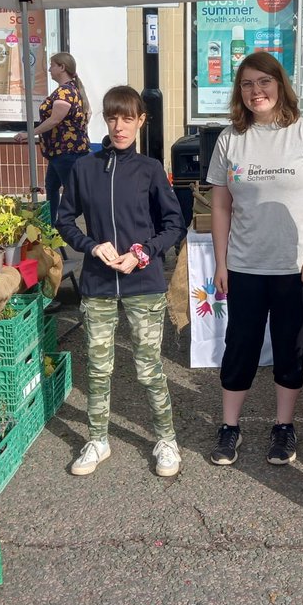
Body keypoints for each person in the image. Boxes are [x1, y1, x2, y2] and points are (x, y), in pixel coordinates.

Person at [206, 53, 303, 467]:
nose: (256, 91)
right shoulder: (230, 139)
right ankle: (229, 427)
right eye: (246, 84)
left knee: (290, 347)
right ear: (238, 91)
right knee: (239, 345)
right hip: (244, 265)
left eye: (264, 82)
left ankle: (283, 426)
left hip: (296, 266)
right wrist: (222, 263)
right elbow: (220, 208)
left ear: (280, 84)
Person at [56, 86, 186, 478]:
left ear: (141, 121)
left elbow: (173, 223)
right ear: (105, 120)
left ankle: (166, 439)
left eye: (127, 118)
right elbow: (64, 219)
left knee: (148, 367)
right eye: (113, 117)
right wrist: (92, 247)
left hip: (144, 284)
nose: (119, 126)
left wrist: (143, 253)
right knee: (97, 367)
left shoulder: (150, 170)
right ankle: (98, 439)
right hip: (97, 284)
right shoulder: (85, 168)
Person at [17, 52, 91, 225]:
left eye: (52, 65)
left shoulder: (65, 91)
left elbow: (55, 119)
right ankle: (51, 225)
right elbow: (86, 115)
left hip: (66, 151)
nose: (49, 69)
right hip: (61, 151)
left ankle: (67, 224)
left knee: (73, 193)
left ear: (62, 67)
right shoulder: (73, 89)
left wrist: (29, 133)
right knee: (51, 186)